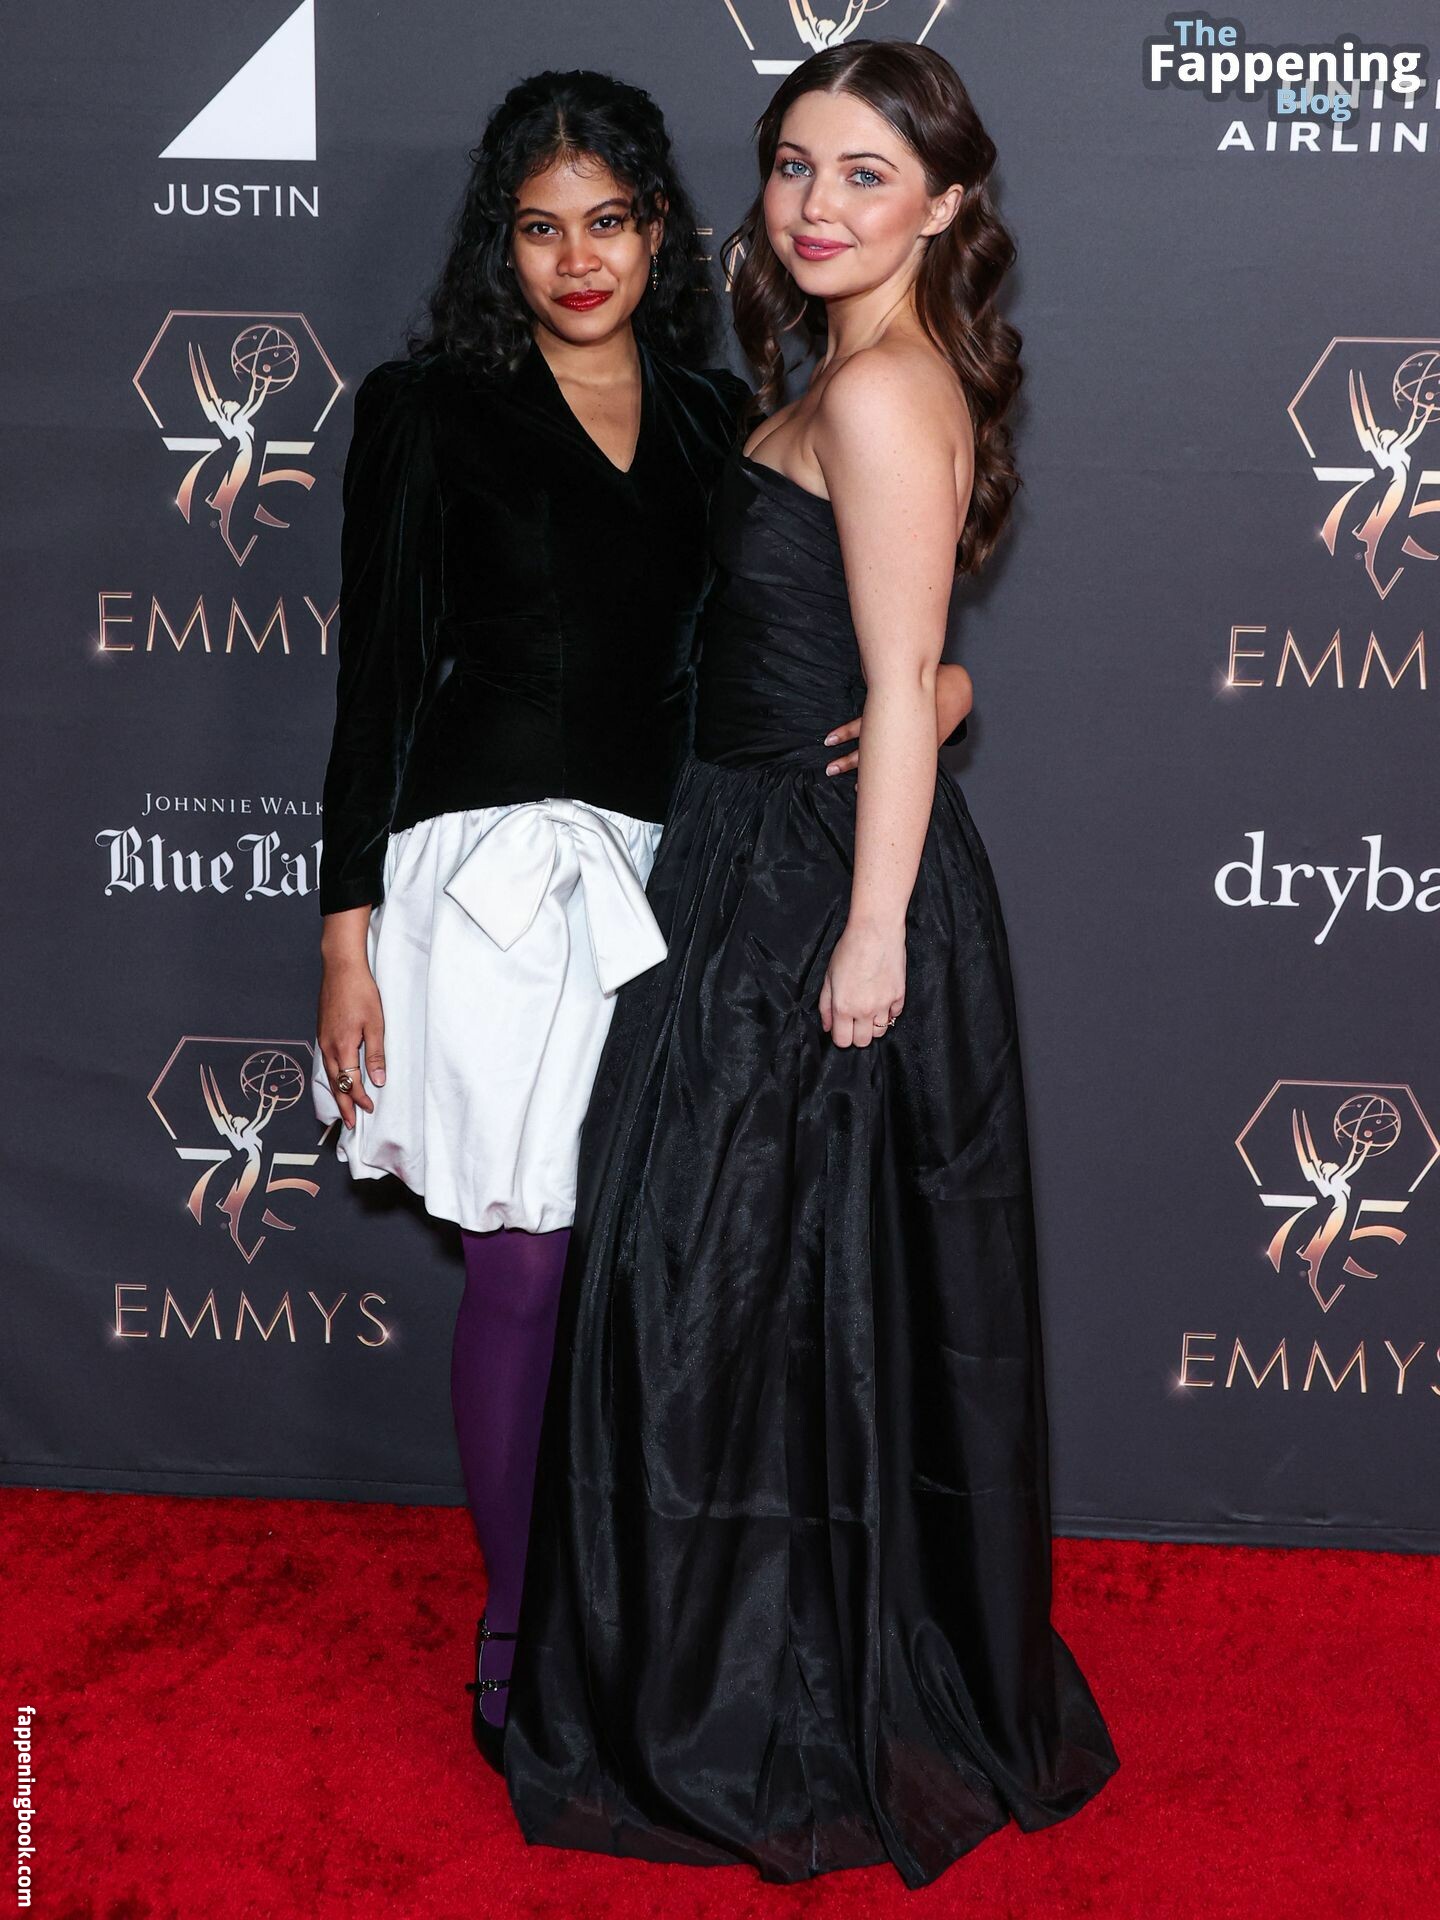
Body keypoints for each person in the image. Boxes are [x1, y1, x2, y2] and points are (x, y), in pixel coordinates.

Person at [503, 41, 1118, 1887]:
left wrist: (867, 930)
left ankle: (766, 1696)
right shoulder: (838, 373)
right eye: (793, 166)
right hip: (746, 859)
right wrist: (932, 690)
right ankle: (734, 1668)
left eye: (865, 173)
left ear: (944, 203)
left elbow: (902, 685)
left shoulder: (883, 388)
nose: (818, 204)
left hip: (811, 894)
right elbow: (899, 662)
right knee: (742, 1299)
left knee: (743, 1294)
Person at [309, 70, 973, 1774]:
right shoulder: (426, 407)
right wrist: (343, 934)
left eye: (607, 221)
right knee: (529, 1262)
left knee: (650, 1266)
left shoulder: (713, 414)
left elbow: (806, 628)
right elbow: (373, 679)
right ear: (501, 245)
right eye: (540, 229)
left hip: (676, 879)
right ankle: (516, 1622)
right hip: (483, 880)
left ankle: (636, 1613)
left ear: (661, 229)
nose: (578, 259)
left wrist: (942, 688)